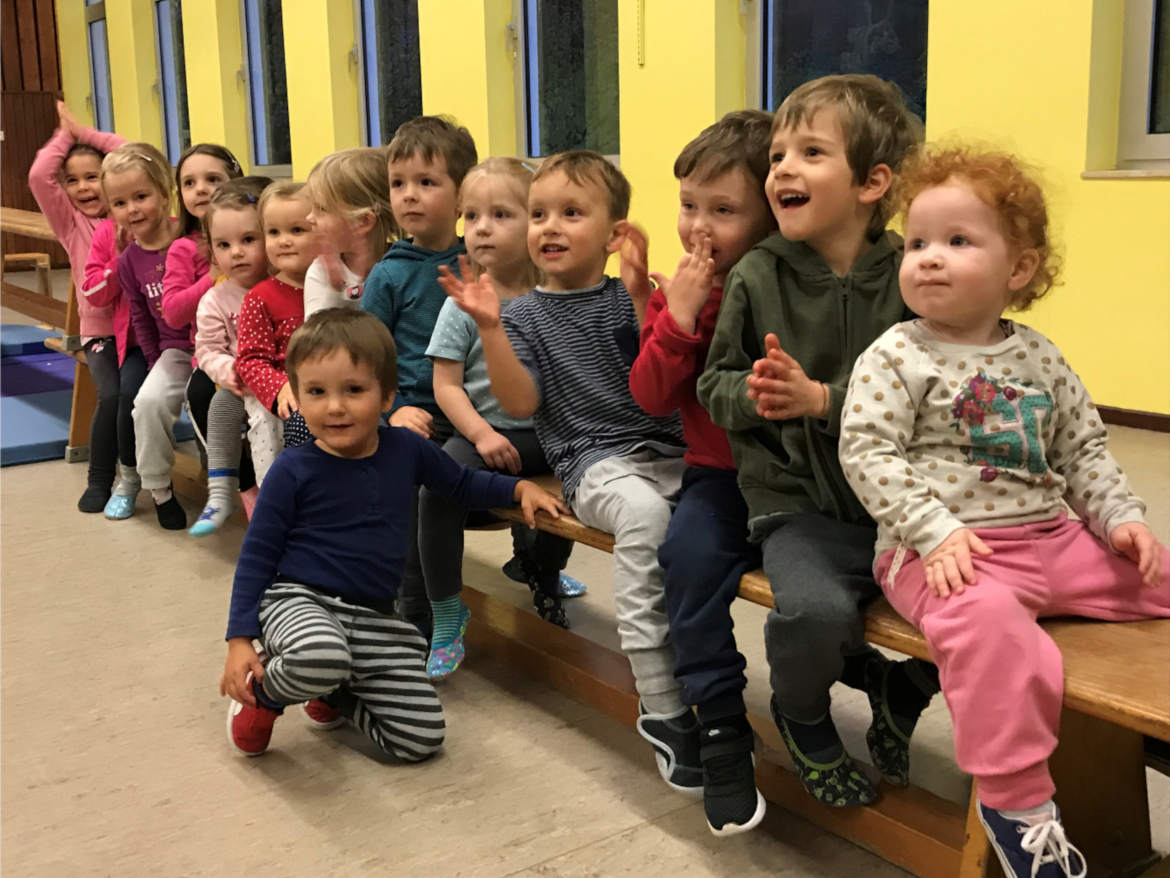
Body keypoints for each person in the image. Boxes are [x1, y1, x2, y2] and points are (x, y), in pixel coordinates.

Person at [840, 145, 1170, 878]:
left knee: (1160, 580)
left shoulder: (1040, 358)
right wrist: (934, 531)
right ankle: (1016, 808)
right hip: (943, 553)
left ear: (1017, 270)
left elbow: (1083, 449)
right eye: (919, 242)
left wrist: (1121, 518)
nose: (929, 258)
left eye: (958, 242)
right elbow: (868, 453)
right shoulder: (896, 356)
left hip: (1053, 538)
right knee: (993, 635)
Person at [697, 75, 939, 807]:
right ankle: (801, 714)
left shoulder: (911, 274)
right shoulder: (758, 275)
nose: (782, 171)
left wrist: (824, 399)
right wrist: (764, 398)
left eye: (810, 152)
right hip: (796, 502)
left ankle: (902, 693)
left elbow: (940, 397)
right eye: (776, 156)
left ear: (872, 182)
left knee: (997, 601)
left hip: (903, 502)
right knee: (816, 611)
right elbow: (716, 386)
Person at [443, 150, 697, 794]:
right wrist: (492, 332)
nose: (549, 227)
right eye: (539, 214)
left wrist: (644, 297)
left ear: (615, 236)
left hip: (672, 452)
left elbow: (659, 386)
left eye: (571, 213)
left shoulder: (628, 299)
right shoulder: (522, 314)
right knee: (645, 520)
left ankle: (705, 670)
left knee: (724, 522)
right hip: (594, 464)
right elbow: (523, 404)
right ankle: (661, 701)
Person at [220, 308, 567, 758]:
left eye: (354, 390)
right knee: (321, 653)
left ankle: (332, 691)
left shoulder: (407, 449)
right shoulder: (292, 469)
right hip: (301, 602)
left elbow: (461, 484)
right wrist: (239, 639)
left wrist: (518, 487)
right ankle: (268, 693)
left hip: (376, 618)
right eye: (317, 392)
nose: (335, 406)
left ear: (387, 397)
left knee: (421, 739)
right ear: (299, 399)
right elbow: (257, 556)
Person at [626, 110, 776, 834]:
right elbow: (651, 397)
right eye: (689, 205)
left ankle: (877, 680)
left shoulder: (780, 285)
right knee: (685, 560)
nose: (698, 227)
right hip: (716, 476)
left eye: (723, 210)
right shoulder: (680, 289)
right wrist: (675, 317)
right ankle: (719, 726)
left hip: (800, 484)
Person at [423, 158, 579, 680]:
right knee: (435, 490)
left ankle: (544, 569)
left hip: (547, 436)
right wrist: (481, 433)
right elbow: (445, 386)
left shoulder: (556, 295)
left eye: (501, 214)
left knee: (578, 478)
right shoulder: (463, 303)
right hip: (483, 433)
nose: (481, 228)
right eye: (471, 217)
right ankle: (447, 609)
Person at [360, 114, 478, 638]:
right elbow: (367, 356)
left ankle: (538, 567)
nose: (409, 196)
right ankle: (419, 609)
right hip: (418, 413)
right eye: (399, 183)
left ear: (461, 195)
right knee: (405, 484)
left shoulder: (481, 261)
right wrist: (392, 410)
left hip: (480, 408)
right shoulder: (388, 273)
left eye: (427, 182)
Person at [27, 100, 125, 513]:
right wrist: (65, 134)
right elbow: (37, 175)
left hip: (141, 329)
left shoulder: (131, 213)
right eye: (73, 180)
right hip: (100, 330)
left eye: (94, 177)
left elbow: (131, 153)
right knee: (113, 396)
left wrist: (86, 133)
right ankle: (101, 477)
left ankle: (144, 473)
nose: (84, 187)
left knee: (138, 395)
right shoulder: (70, 224)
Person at [99, 142, 189, 529]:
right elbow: (140, 316)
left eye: (141, 196)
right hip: (173, 352)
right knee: (145, 403)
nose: (132, 209)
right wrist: (154, 363)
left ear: (164, 193)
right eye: (120, 203)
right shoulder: (129, 261)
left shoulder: (190, 240)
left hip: (216, 347)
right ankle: (159, 488)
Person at [188, 176, 273, 536]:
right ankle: (222, 491)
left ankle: (274, 496)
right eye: (224, 244)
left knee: (270, 425)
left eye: (248, 240)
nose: (236, 252)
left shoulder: (287, 284)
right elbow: (207, 349)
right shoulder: (216, 300)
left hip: (281, 383)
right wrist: (229, 370)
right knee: (220, 406)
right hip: (241, 381)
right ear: (211, 250)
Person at [159, 144, 244, 465]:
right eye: (189, 183)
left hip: (262, 353)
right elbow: (174, 313)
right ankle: (223, 486)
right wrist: (211, 276)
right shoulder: (183, 248)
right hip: (213, 356)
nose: (201, 190)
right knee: (204, 400)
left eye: (213, 179)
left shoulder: (259, 234)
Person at [234, 181, 316, 483]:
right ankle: (274, 494)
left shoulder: (336, 286)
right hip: (277, 388)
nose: (284, 241)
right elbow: (250, 360)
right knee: (265, 427)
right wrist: (280, 387)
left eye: (297, 231)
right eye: (273, 232)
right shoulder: (260, 297)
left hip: (325, 386)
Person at [302, 148, 397, 318]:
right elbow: (315, 338)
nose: (309, 217)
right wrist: (335, 290)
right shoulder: (320, 272)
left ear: (363, 221)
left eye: (322, 209)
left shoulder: (400, 265)